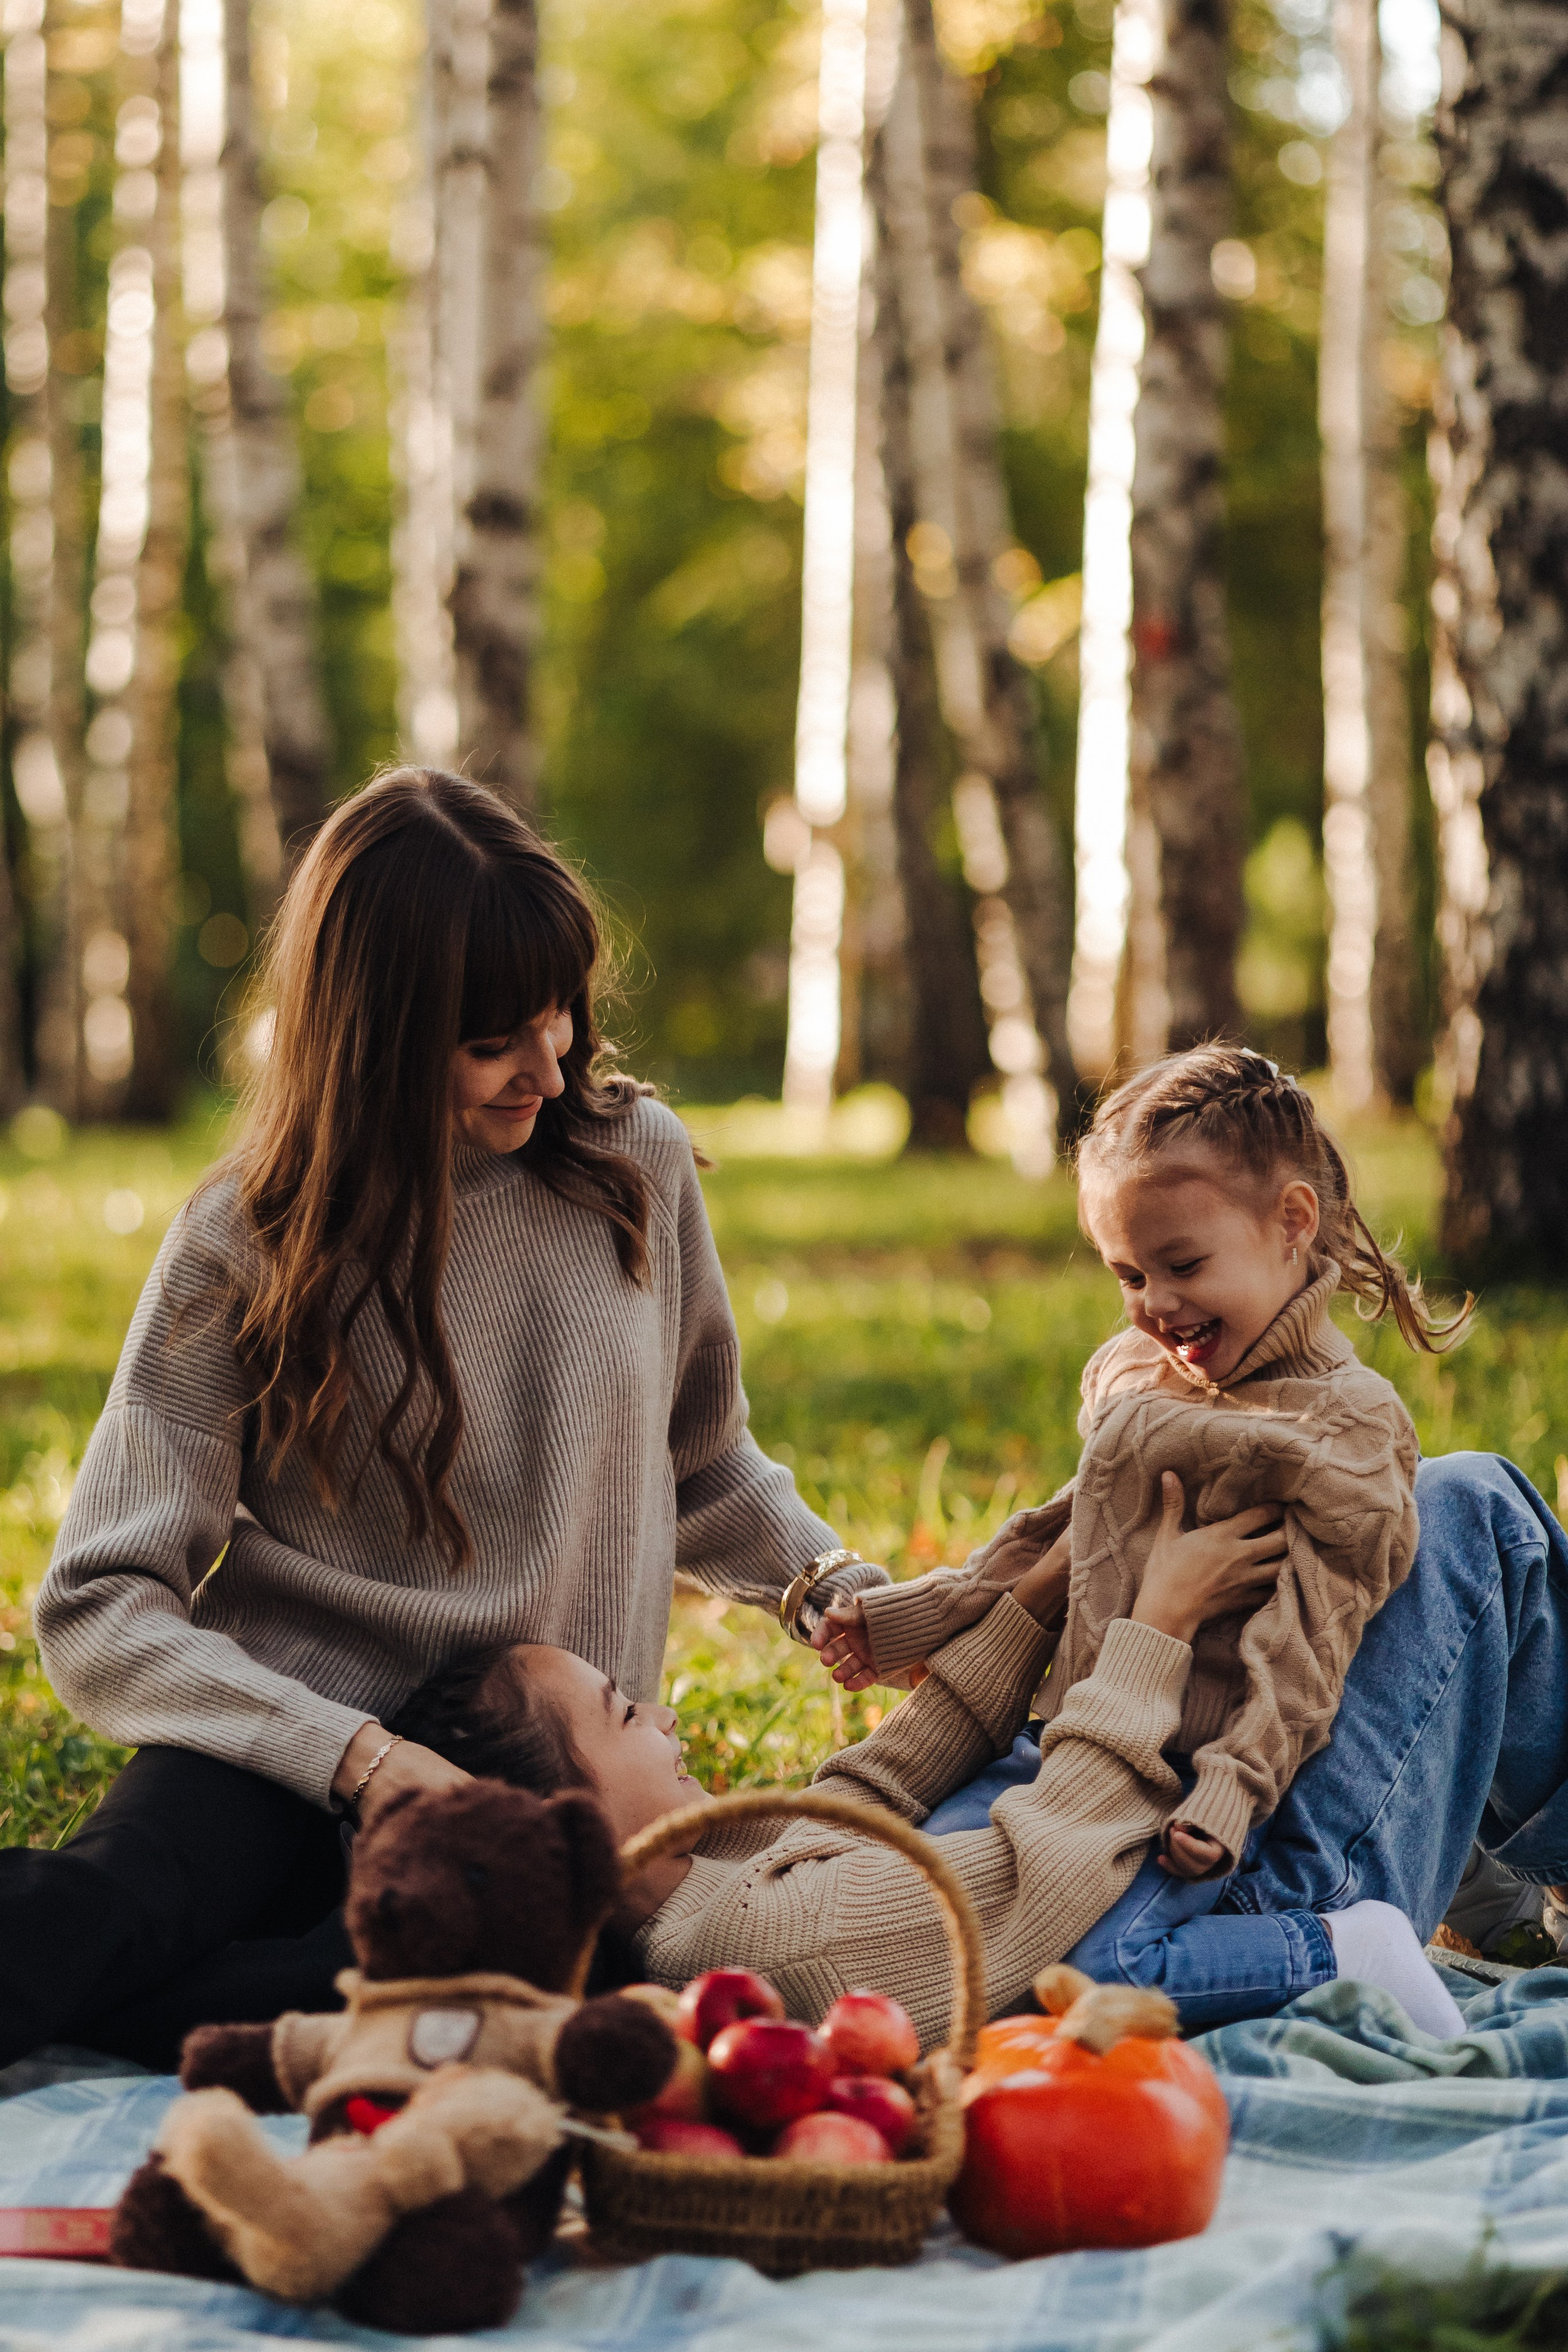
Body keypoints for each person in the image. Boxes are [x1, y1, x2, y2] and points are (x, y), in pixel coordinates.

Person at [1, 770, 890, 2071]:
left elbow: (702, 1464)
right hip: (286, 1732)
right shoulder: (243, 1241)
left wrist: (824, 1586)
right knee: (117, 1912)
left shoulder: (630, 1166)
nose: (549, 1066)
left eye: (559, 1018)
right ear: (372, 1034)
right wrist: (353, 1759)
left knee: (479, 2001)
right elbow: (102, 1597)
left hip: (531, 1771)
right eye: (492, 1040)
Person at [368, 1451, 1568, 2049]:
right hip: (1218, 1874)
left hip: (1173, 1844)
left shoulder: (717, 1884)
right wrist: (1149, 1620)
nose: (667, 1716)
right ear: (575, 1826)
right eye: (626, 1717)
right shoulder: (760, 1936)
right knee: (1473, 1515)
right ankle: (1498, 1879)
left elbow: (896, 1768)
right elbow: (1045, 1865)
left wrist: (1043, 1582)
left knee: (1336, 1545)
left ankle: (1492, 1874)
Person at [813, 1047, 1474, 2027]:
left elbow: (1308, 1642)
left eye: (1183, 1265)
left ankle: (1353, 1948)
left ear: (1291, 1224)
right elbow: (1058, 1533)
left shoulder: (1344, 1431)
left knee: (1042, 1975)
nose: (1157, 1305)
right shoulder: (1141, 1371)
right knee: (923, 1914)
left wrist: (1230, 1795)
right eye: (1129, 1273)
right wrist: (921, 1615)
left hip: (1181, 1790)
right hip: (1065, 1750)